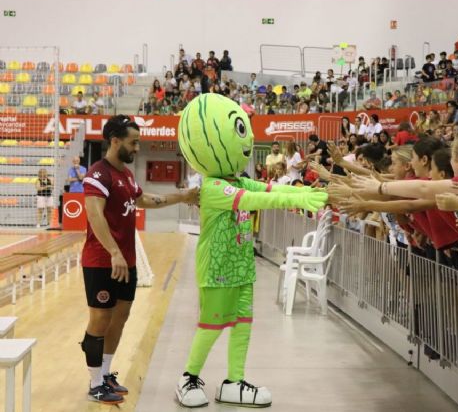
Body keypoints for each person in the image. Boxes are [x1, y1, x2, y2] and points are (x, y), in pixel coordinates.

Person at [175, 94, 327, 408]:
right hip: (217, 271)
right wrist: (297, 200)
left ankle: (234, 381)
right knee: (212, 325)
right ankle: (188, 377)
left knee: (243, 324)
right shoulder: (213, 187)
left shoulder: (237, 179)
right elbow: (255, 201)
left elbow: (269, 189)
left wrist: (304, 190)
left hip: (241, 267)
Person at [80, 115, 199, 404]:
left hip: (127, 262)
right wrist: (114, 252)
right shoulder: (99, 174)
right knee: (100, 319)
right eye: (133, 142)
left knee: (120, 318)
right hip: (102, 261)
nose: (137, 148)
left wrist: (182, 196)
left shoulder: (127, 176)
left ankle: (106, 374)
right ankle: (95, 383)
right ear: (115, 140)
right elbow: (94, 215)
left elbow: (144, 200)